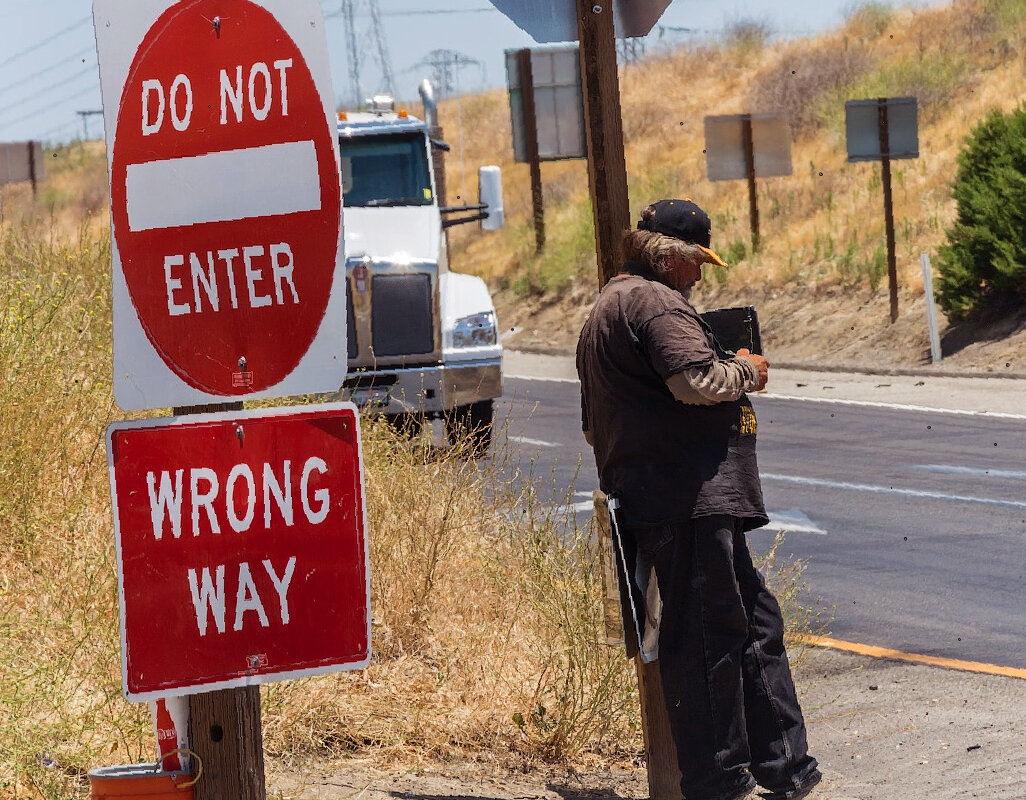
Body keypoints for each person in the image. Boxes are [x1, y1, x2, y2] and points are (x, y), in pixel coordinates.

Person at [576, 199, 821, 800]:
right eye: (696, 263)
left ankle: (784, 767)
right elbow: (694, 381)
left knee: (753, 622)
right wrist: (746, 370)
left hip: (671, 499)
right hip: (686, 499)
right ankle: (717, 781)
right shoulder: (655, 302)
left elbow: (592, 425)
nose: (699, 277)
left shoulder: (604, 310)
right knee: (710, 636)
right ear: (673, 255)